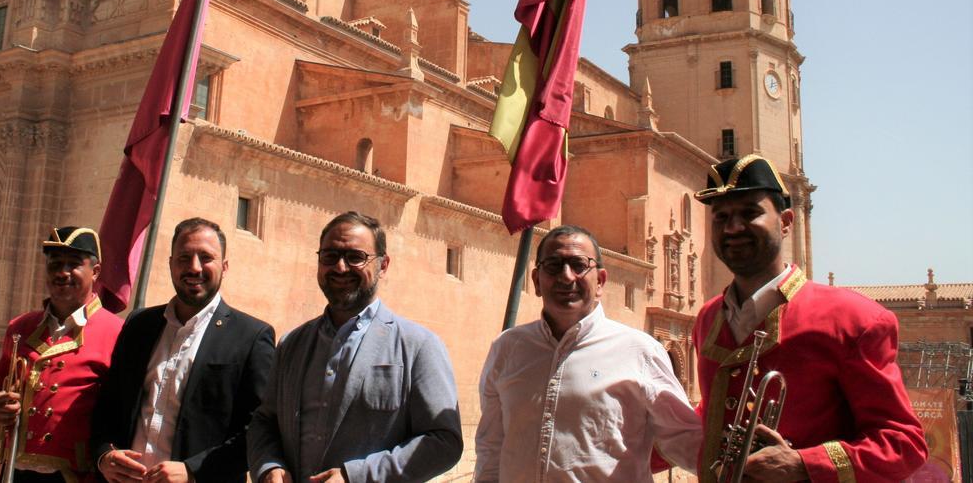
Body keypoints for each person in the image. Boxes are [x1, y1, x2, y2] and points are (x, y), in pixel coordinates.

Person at [693, 154, 927, 482]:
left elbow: (904, 444)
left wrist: (804, 463)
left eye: (750, 213)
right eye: (721, 217)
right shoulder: (707, 318)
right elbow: (714, 414)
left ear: (787, 222)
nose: (733, 228)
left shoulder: (855, 318)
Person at [248, 211, 463, 483]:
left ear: (383, 265)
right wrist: (269, 465)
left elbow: (444, 441)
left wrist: (358, 477)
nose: (340, 268)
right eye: (330, 257)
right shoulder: (292, 344)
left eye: (355, 257)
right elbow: (264, 421)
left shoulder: (418, 346)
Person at [474, 225, 701, 481]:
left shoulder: (640, 351)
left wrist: (737, 466)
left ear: (601, 281)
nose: (566, 276)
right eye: (553, 265)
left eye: (579, 265)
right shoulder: (507, 348)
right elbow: (491, 445)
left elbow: (685, 438)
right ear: (536, 281)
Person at [90, 217, 274, 483]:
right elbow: (107, 405)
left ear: (224, 266)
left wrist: (194, 471)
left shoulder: (251, 337)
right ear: (171, 263)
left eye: (206, 257)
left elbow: (257, 430)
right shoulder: (139, 325)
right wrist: (104, 455)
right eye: (184, 257)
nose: (194, 267)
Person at [0, 226, 123, 483]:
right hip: (13, 472)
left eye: (74, 264)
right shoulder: (20, 327)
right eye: (55, 264)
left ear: (96, 271)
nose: (62, 273)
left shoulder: (118, 333)